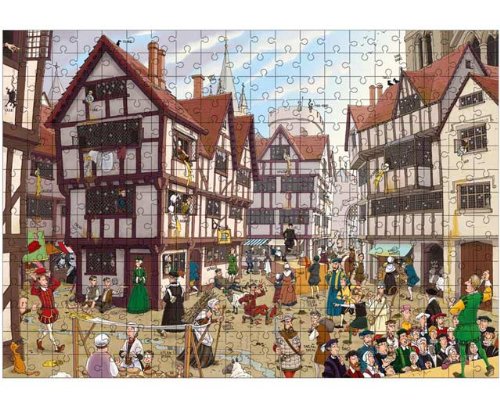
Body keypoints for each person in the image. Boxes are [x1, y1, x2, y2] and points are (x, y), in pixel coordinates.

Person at [449, 274, 494, 378]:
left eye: (469, 283)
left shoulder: (465, 299)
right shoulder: (479, 296)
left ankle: (463, 374)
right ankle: (489, 366)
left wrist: (451, 305)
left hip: (464, 329)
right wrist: (487, 280)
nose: (466, 284)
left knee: (462, 351)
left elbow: (453, 311)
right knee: (480, 348)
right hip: (473, 328)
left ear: (473, 286)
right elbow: (488, 294)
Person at [177, 298, 222, 368]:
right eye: (216, 305)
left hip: (203, 330)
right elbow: (201, 322)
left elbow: (208, 321)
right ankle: (199, 363)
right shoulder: (204, 312)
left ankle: (209, 361)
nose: (218, 306)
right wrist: (207, 317)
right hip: (197, 331)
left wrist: (216, 320)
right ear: (212, 305)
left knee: (206, 344)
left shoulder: (209, 311)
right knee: (199, 347)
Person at [30, 267, 65, 353]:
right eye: (43, 280)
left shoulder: (50, 289)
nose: (45, 281)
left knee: (47, 330)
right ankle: (57, 348)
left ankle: (39, 341)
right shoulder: (39, 291)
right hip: (45, 313)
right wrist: (34, 280)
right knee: (50, 331)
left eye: (46, 279)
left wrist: (51, 276)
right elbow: (32, 291)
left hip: (52, 311)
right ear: (39, 281)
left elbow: (58, 283)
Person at [308, 310, 332, 377]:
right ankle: (317, 377)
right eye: (312, 317)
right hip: (322, 347)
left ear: (318, 318)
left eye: (315, 318)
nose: (313, 319)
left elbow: (310, 338)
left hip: (324, 347)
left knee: (322, 364)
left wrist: (313, 329)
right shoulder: (320, 326)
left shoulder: (319, 328)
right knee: (317, 363)